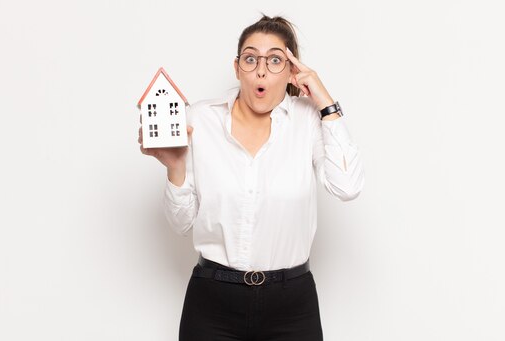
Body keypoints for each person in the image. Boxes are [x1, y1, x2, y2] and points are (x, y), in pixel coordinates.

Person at [138, 15, 364, 341]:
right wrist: (175, 167)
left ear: (291, 72)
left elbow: (347, 186)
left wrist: (325, 101)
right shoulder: (199, 120)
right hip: (212, 299)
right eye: (251, 58)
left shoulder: (308, 121)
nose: (261, 70)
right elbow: (180, 223)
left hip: (292, 302)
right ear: (237, 67)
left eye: (275, 60)